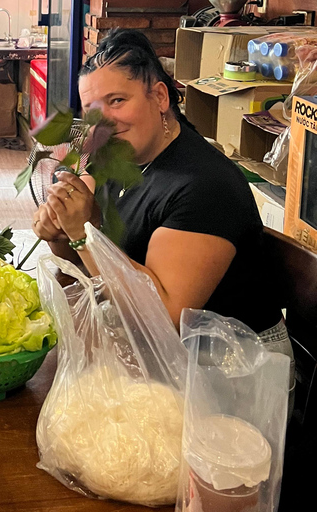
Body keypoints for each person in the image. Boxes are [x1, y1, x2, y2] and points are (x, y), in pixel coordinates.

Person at [33, 30, 292, 360]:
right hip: (160, 351)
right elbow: (80, 260)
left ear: (159, 98)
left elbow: (164, 318)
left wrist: (83, 236)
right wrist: (59, 230)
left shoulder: (204, 186)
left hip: (233, 369)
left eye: (117, 101)